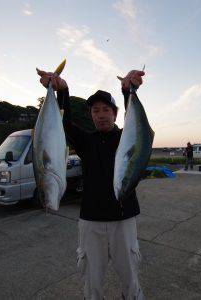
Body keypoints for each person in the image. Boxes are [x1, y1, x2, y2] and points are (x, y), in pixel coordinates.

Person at [37, 68, 146, 300]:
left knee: (130, 278)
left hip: (123, 220)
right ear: (91, 116)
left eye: (106, 110)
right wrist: (62, 90)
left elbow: (136, 125)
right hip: (90, 221)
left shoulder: (125, 139)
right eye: (95, 111)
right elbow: (64, 125)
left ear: (116, 115)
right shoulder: (86, 141)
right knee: (91, 281)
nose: (101, 114)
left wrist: (129, 92)